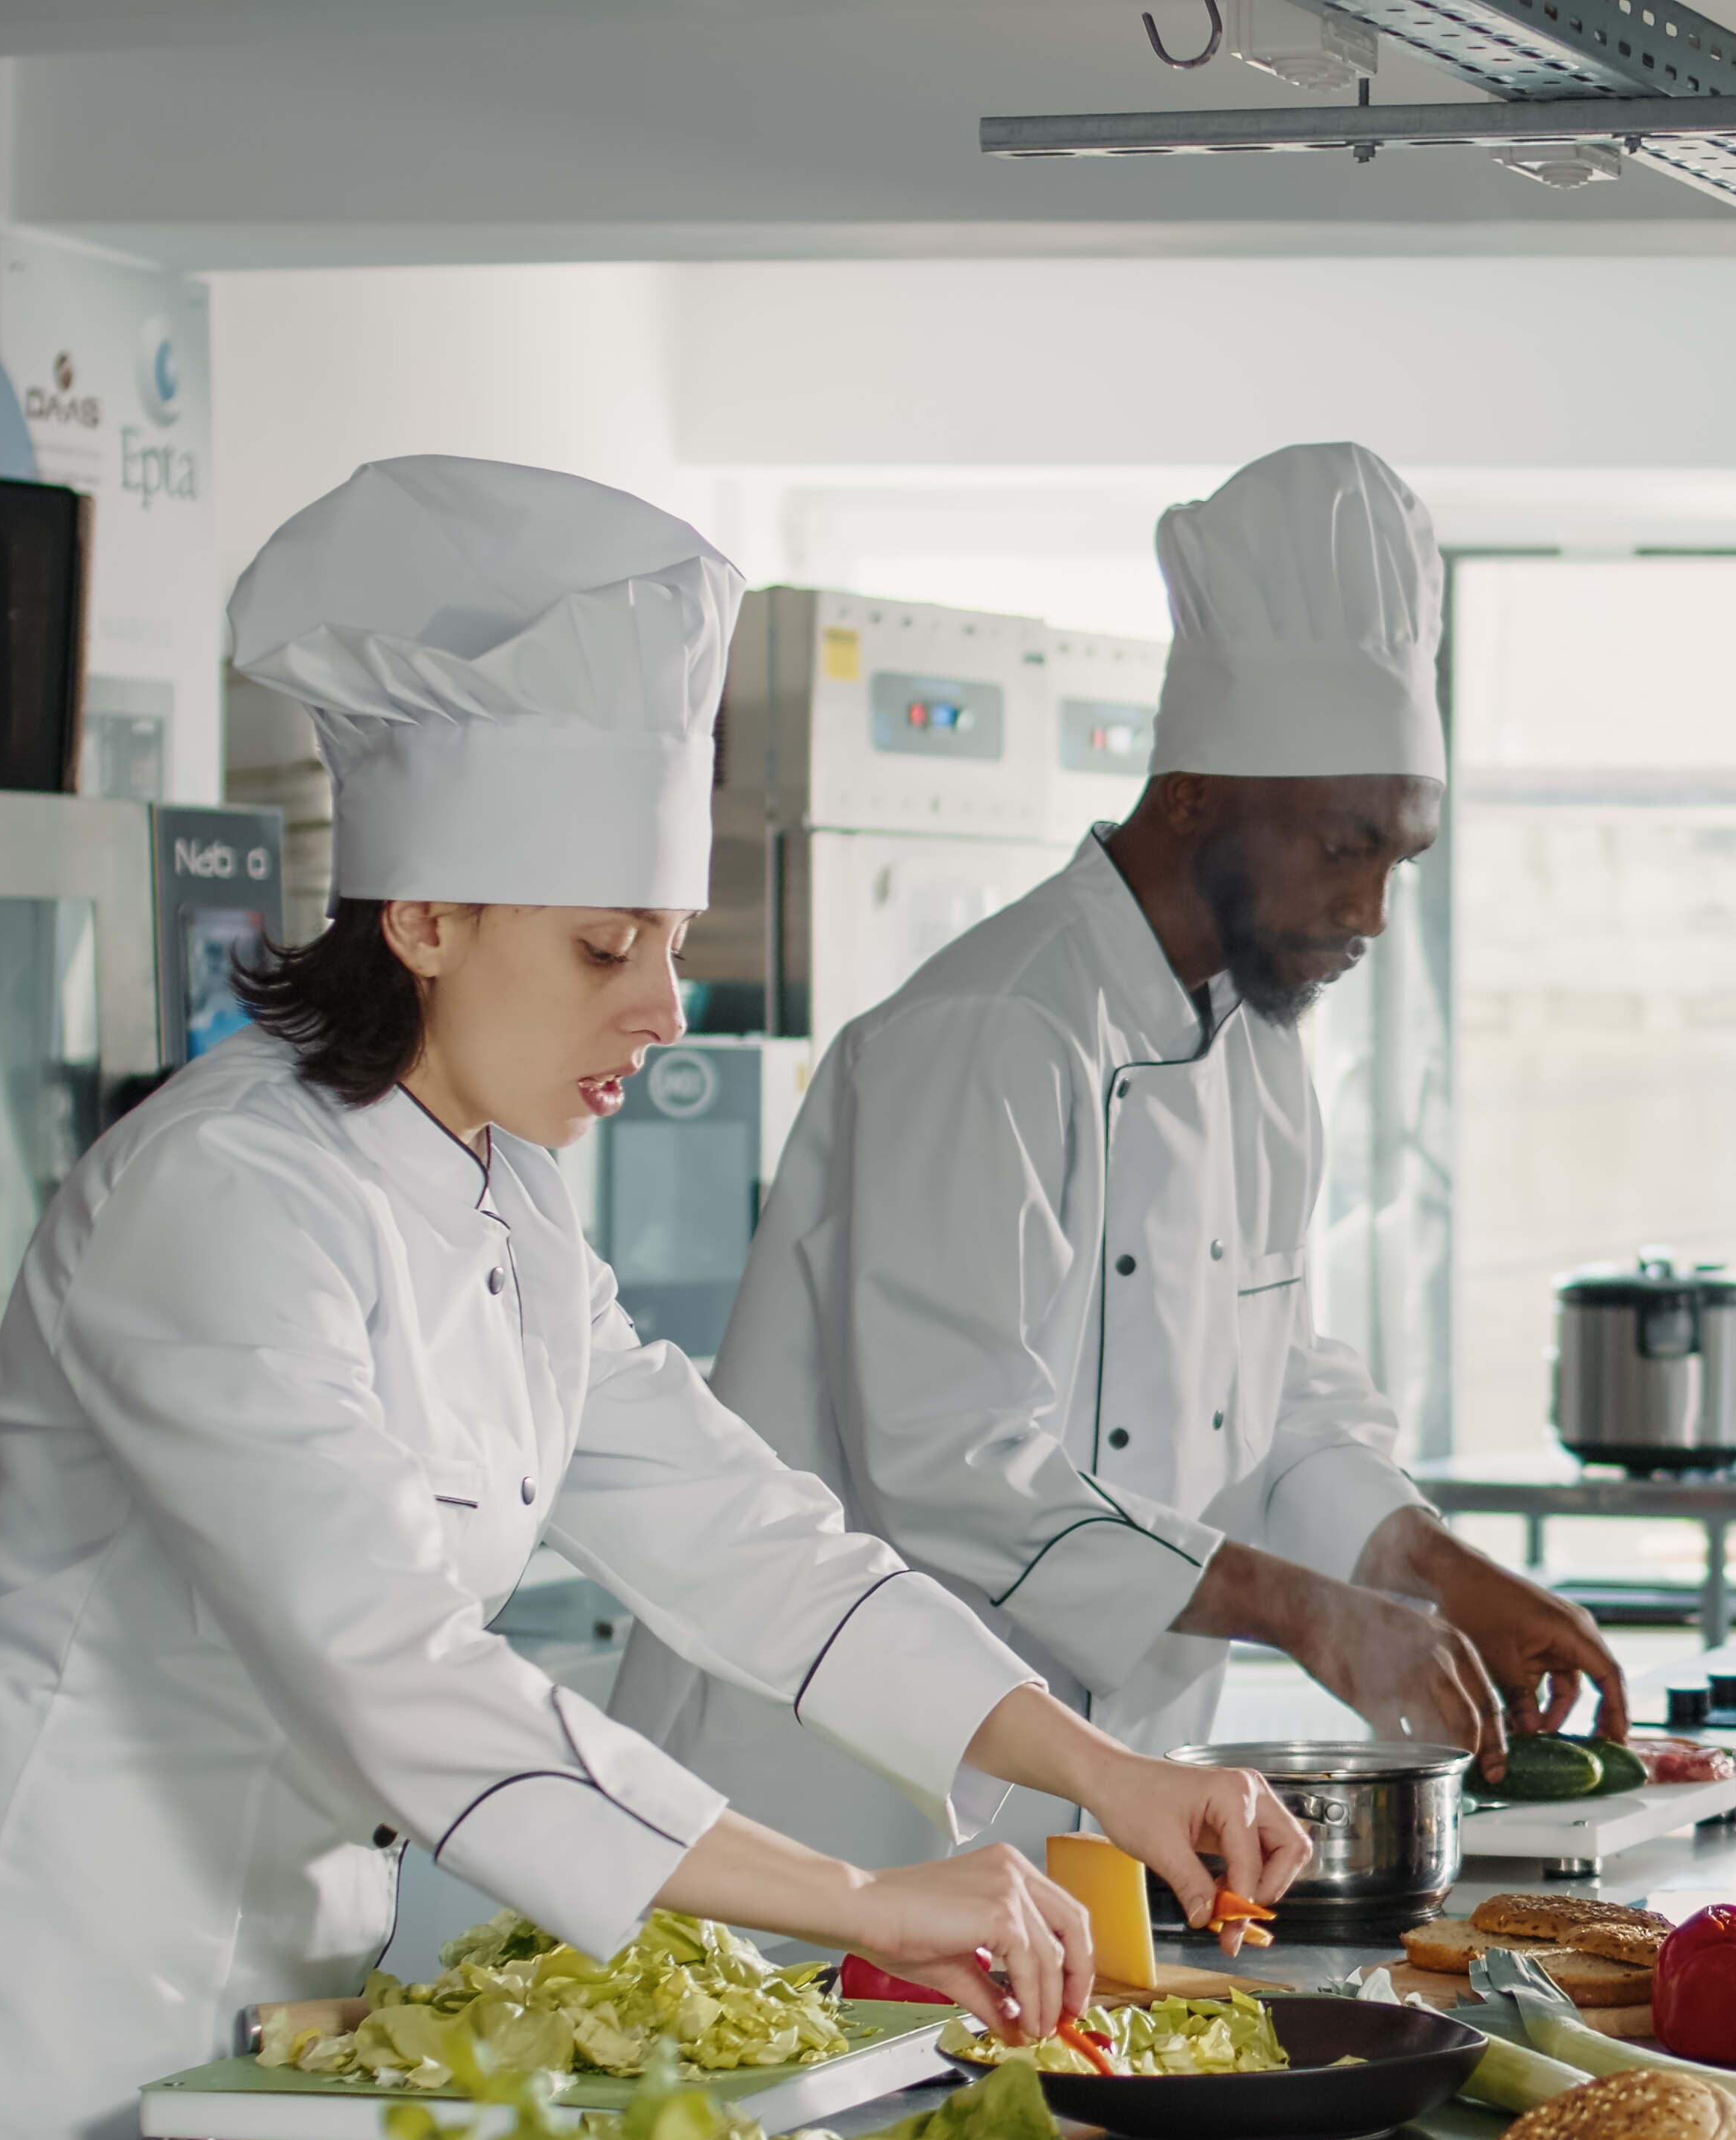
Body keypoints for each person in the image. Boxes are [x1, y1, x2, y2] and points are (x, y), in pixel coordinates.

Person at [0, 458, 1303, 2140]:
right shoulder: (220, 1196)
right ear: (422, 920)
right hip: (17, 2088)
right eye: (605, 947)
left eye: (666, 941)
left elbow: (753, 1545)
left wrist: (1100, 1766)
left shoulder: (502, 1186)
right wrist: (868, 1894)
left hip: (269, 2066)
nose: (662, 1010)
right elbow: (395, 1666)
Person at [616, 444, 1627, 1867]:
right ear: (1199, 793)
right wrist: (1297, 1609)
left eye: (1399, 859)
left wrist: (1429, 1566)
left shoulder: (1260, 1048)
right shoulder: (992, 1030)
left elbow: (1271, 1395)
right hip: (833, 1804)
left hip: (1090, 1805)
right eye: (1345, 847)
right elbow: (948, 1461)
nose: (1371, 910)